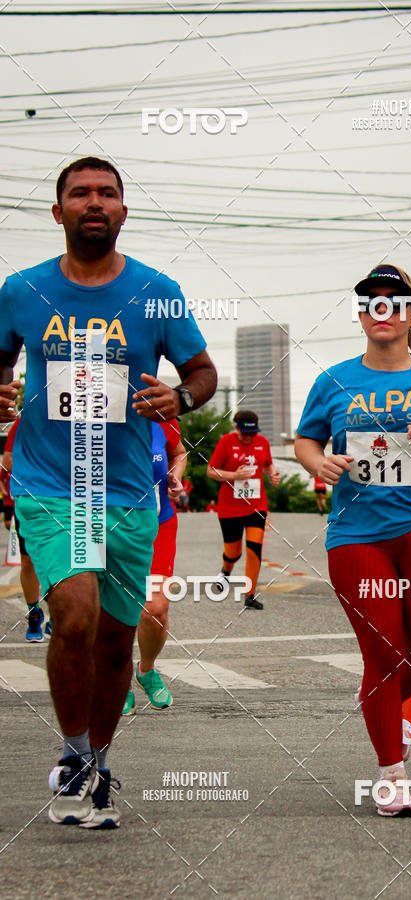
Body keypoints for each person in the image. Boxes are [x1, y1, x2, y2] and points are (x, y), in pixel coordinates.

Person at [0, 157, 217, 829]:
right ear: (59, 212)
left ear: (123, 210)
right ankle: (71, 755)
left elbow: (203, 372)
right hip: (50, 482)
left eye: (108, 193)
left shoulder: (157, 292)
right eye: (80, 194)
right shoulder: (21, 290)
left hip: (124, 489)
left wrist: (178, 395)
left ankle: (96, 762)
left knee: (117, 644)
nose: (95, 202)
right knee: (73, 613)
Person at [295, 263, 411, 817]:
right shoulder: (333, 380)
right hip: (356, 537)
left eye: (394, 302)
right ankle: (391, 773)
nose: (383, 311)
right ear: (360, 315)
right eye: (371, 302)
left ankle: (384, 711)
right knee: (384, 654)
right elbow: (306, 440)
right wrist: (320, 462)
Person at [122, 419, 187, 716]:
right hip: (108, 525)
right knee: (112, 607)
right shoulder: (94, 407)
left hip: (159, 523)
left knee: (156, 608)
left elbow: (179, 452)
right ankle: (117, 679)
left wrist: (175, 476)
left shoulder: (160, 414)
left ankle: (145, 670)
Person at [207, 410, 280, 610]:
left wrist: (273, 474)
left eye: (252, 433)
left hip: (256, 505)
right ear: (236, 428)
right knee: (233, 552)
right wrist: (233, 475)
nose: (248, 437)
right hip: (230, 507)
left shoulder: (262, 442)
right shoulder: (226, 442)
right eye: (244, 433)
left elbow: (268, 464)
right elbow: (211, 471)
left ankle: (249, 595)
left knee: (254, 548)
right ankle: (226, 570)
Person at [0, 418, 48, 641]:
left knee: (62, 560)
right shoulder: (25, 421)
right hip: (30, 498)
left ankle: (59, 612)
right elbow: (7, 462)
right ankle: (34, 614)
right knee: (29, 560)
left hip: (68, 500)